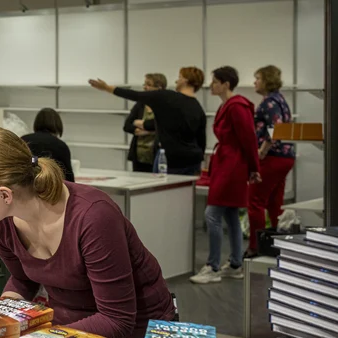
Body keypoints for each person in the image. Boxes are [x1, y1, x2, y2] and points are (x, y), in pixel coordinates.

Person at [0, 127, 175, 338]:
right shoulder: (0, 223)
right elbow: (23, 279)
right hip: (65, 334)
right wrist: (2, 316)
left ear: (4, 194)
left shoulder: (93, 216)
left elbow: (117, 320)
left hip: (137, 336)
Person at [190, 67, 260, 284]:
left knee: (212, 214)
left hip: (232, 166)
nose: (211, 85)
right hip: (228, 164)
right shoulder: (228, 105)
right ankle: (236, 263)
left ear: (226, 84)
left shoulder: (237, 107)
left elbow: (249, 139)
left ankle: (213, 266)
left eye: (215, 81)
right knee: (230, 215)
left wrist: (254, 168)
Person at [90, 67, 206, 175]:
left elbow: (135, 95)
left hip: (172, 160)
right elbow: (201, 139)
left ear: (185, 80)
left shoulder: (167, 97)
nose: (176, 81)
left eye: (179, 77)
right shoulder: (197, 107)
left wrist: (107, 88)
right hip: (193, 160)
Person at [244, 65, 296, 258]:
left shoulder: (270, 103)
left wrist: (262, 151)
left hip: (273, 157)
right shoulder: (280, 100)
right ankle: (277, 243)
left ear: (266, 80)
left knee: (255, 201)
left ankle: (256, 246)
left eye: (257, 78)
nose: (254, 82)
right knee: (275, 202)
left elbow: (276, 129)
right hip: (285, 157)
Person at [123, 73, 167, 172]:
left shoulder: (165, 106)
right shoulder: (141, 104)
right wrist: (139, 130)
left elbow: (163, 125)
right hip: (138, 156)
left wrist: (145, 128)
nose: (145, 87)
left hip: (157, 156)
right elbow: (127, 125)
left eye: (148, 84)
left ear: (159, 87)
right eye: (144, 84)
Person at [21, 108, 75, 182]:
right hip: (51, 189)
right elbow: (69, 178)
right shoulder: (60, 145)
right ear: (57, 125)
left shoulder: (23, 140)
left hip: (24, 187)